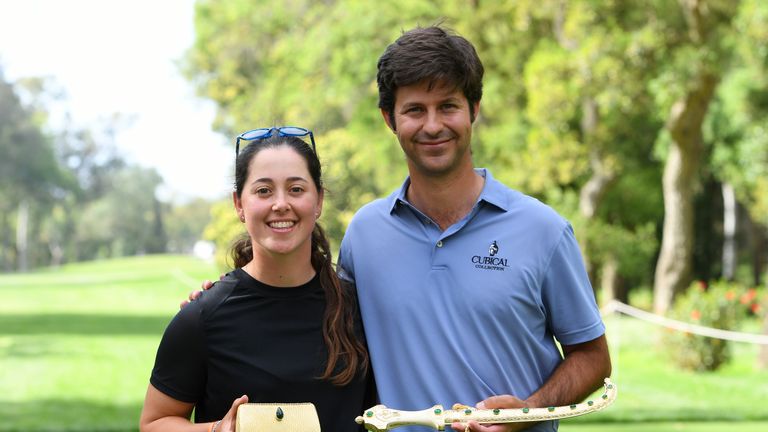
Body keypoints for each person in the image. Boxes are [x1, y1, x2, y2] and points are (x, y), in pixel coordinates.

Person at [191, 25, 610, 432]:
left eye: (448, 105)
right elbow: (315, 312)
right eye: (414, 110)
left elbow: (592, 358)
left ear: (474, 110)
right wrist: (225, 298)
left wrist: (526, 411)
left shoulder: (543, 230)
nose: (432, 126)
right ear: (389, 119)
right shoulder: (366, 233)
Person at [141, 129, 374, 432]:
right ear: (239, 204)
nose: (280, 204)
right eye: (264, 191)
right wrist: (217, 430)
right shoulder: (202, 317)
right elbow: (154, 423)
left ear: (318, 200)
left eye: (296, 189)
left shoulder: (360, 308)